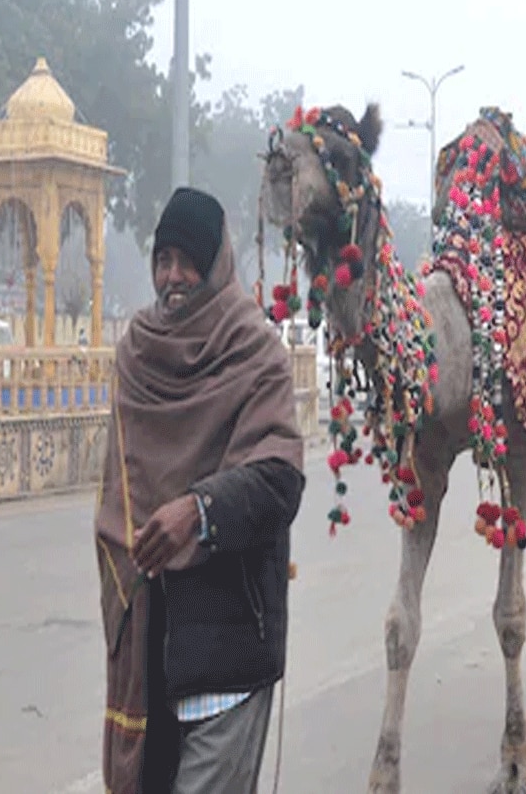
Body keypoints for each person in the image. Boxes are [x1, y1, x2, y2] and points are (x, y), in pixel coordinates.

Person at [94, 186, 306, 794]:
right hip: (149, 647)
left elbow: (279, 478)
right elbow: (118, 494)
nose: (174, 276)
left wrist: (199, 511)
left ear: (217, 265)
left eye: (190, 260)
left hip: (227, 649)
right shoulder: (136, 354)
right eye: (164, 259)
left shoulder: (255, 352)